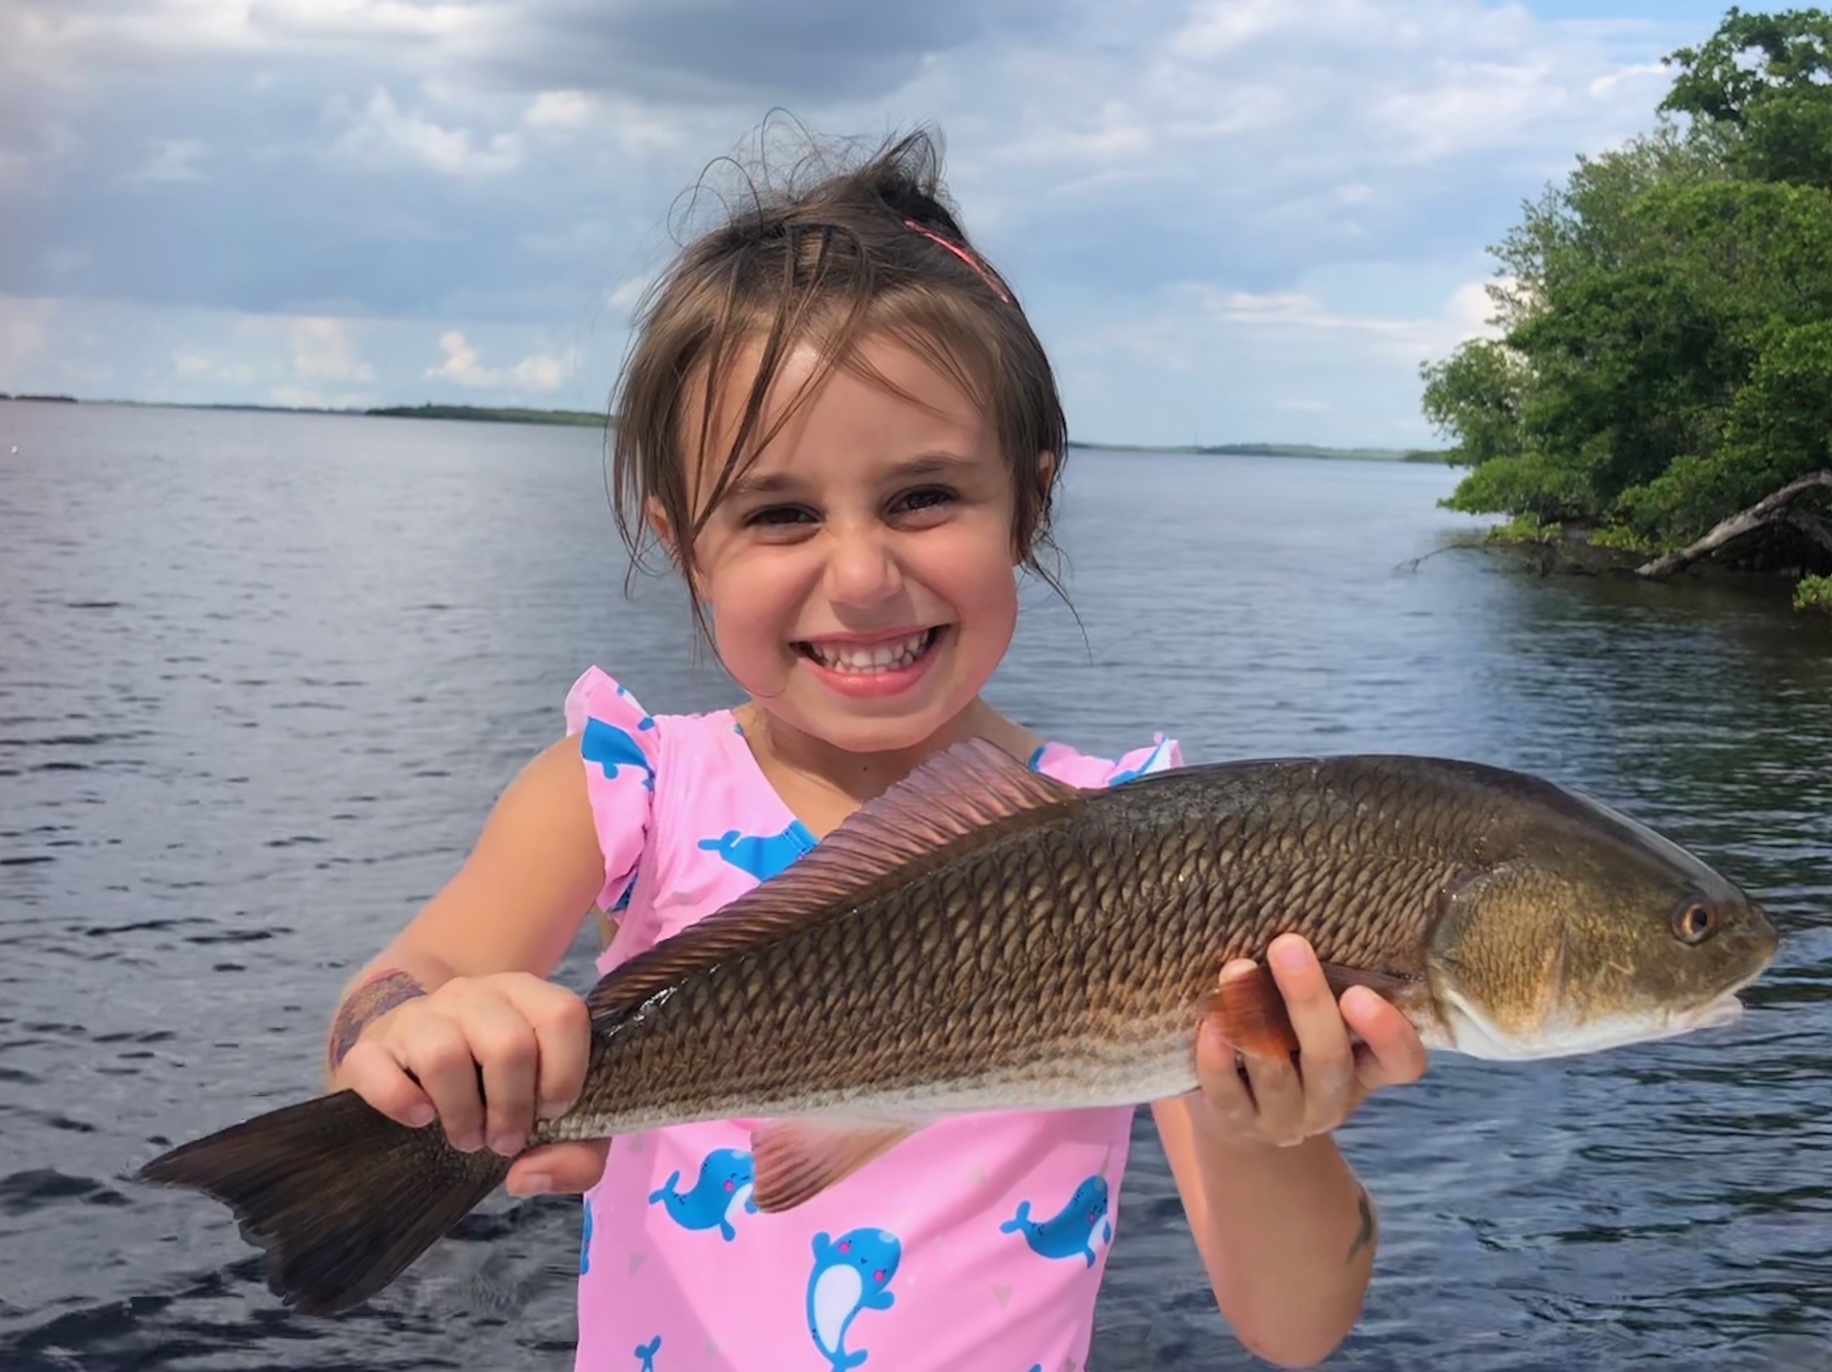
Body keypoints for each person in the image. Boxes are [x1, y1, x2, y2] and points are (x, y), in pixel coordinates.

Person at [322, 127, 1430, 1372]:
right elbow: (395, 996)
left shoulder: (1141, 846)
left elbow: (1295, 1327)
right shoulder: (620, 790)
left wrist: (1266, 1122)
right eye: (780, 512)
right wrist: (420, 1030)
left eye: (922, 498)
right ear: (683, 543)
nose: (860, 576)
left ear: (1030, 502)